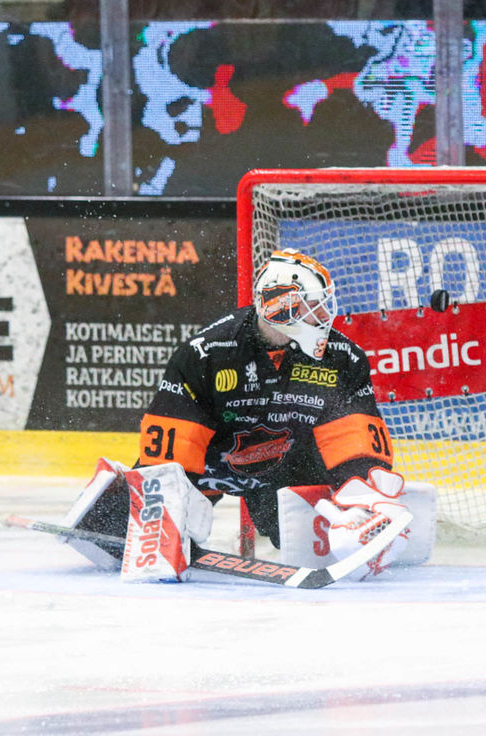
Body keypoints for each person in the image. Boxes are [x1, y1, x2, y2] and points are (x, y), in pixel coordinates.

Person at [58, 248, 422, 582]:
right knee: (127, 525)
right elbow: (171, 450)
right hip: (212, 467)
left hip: (288, 470)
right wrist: (159, 511)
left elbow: (354, 441)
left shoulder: (344, 358)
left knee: (313, 541)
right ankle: (119, 501)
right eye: (314, 306)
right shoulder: (205, 354)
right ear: (282, 307)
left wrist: (362, 494)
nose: (326, 316)